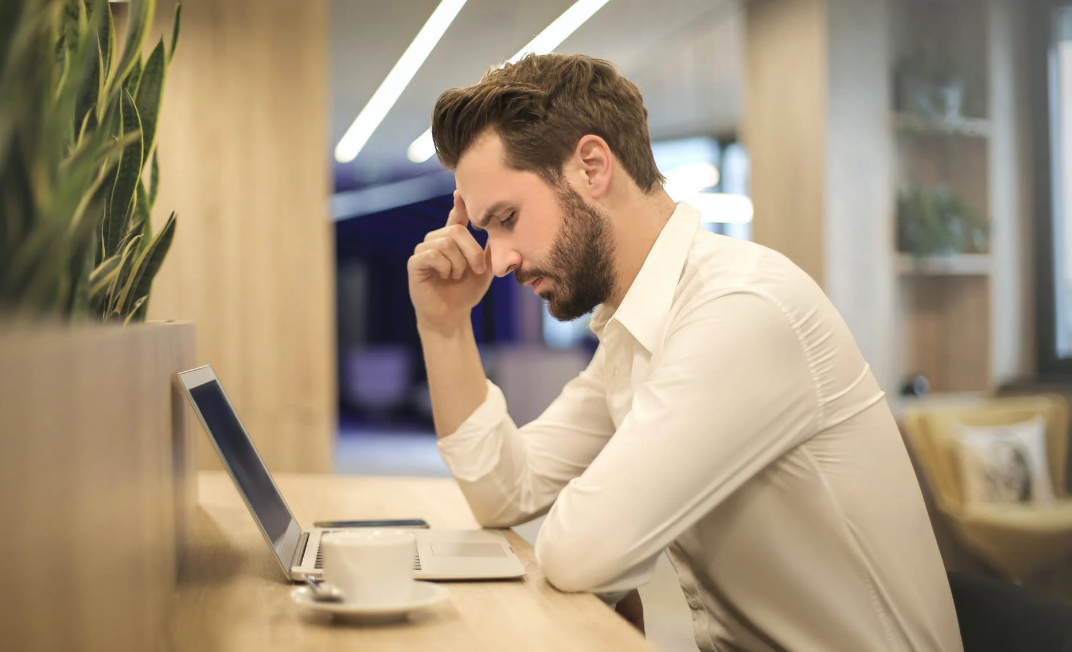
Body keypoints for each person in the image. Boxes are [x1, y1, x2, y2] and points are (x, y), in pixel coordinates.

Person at [407, 52, 963, 652]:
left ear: (592, 167)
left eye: (508, 218)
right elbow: (504, 491)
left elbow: (579, 552)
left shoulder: (739, 310)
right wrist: (444, 325)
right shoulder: (638, 328)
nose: (498, 259)